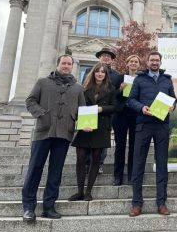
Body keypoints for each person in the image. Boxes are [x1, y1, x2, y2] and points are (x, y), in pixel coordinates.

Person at [22, 54, 85, 222]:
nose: (66, 66)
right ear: (58, 64)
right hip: (43, 132)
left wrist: (85, 123)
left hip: (64, 134)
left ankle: (49, 207)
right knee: (35, 169)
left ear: (72, 66)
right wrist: (42, 114)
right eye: (63, 63)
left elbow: (83, 110)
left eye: (68, 64)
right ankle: (28, 207)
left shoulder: (78, 88)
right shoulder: (43, 82)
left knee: (55, 172)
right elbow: (30, 101)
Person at [128, 51, 177, 217]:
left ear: (160, 62)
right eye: (152, 60)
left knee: (162, 164)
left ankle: (161, 203)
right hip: (143, 124)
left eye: (157, 60)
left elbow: (174, 99)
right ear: (147, 61)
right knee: (138, 163)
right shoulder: (139, 79)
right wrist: (141, 108)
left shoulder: (167, 80)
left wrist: (173, 106)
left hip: (162, 125)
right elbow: (131, 100)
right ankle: (136, 203)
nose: (155, 62)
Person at [68, 63, 116, 201]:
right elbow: (76, 107)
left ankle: (88, 192)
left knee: (96, 159)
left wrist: (101, 109)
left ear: (106, 75)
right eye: (97, 72)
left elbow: (114, 107)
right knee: (81, 157)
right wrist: (80, 123)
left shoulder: (111, 89)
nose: (100, 74)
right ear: (93, 73)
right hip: (85, 126)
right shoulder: (83, 88)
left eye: (103, 72)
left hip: (101, 127)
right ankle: (79, 191)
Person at [83, 47, 123, 174]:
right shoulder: (89, 70)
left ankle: (99, 163)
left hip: (106, 112)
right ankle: (86, 163)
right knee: (87, 136)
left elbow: (115, 96)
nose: (106, 58)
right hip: (89, 109)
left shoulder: (117, 75)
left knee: (103, 138)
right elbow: (84, 88)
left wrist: (120, 90)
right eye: (103, 55)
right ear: (99, 58)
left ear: (111, 60)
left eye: (109, 56)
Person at [112, 55, 141, 186]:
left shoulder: (142, 79)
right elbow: (111, 95)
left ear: (139, 65)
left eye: (136, 62)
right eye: (131, 61)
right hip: (121, 114)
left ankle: (131, 176)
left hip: (136, 114)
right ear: (127, 64)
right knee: (120, 146)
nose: (133, 63)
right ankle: (117, 176)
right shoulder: (119, 77)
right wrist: (120, 89)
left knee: (134, 147)